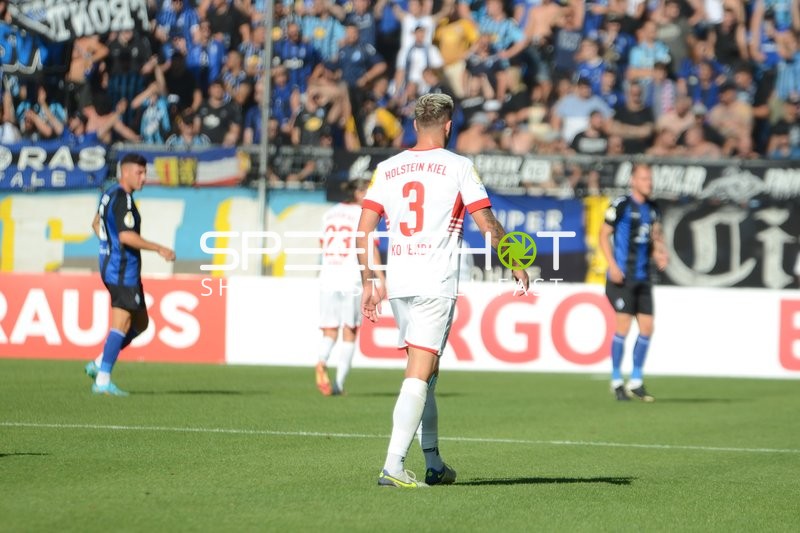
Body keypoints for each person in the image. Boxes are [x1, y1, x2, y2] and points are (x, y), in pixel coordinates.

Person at [356, 93, 529, 488]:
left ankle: (433, 461)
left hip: (400, 281)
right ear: (449, 127)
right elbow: (486, 222)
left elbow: (363, 231)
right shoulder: (458, 166)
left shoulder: (387, 168)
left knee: (426, 370)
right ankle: (393, 465)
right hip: (435, 281)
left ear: (416, 125)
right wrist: (514, 261)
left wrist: (370, 279)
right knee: (420, 372)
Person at [84, 154, 176, 396]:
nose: (144, 178)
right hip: (121, 270)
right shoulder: (123, 199)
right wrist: (159, 248)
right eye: (139, 172)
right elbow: (125, 236)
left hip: (120, 268)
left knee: (141, 323)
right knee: (122, 323)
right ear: (125, 172)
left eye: (145, 173)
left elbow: (96, 223)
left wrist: (108, 245)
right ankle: (102, 379)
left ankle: (100, 362)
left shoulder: (109, 194)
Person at [600, 163, 668, 403]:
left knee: (647, 328)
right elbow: (603, 235)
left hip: (643, 277)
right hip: (622, 278)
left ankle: (636, 380)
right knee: (623, 326)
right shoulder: (621, 205)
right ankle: (616, 380)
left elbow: (655, 237)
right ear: (634, 181)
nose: (649, 183)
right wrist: (612, 265)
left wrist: (660, 253)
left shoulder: (653, 208)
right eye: (644, 179)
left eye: (650, 178)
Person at [315, 179, 382, 396]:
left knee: (329, 330)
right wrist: (381, 278)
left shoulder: (330, 213)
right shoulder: (364, 214)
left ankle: (321, 361)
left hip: (327, 277)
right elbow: (370, 247)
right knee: (350, 331)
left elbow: (322, 244)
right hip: (351, 278)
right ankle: (339, 384)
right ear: (357, 193)